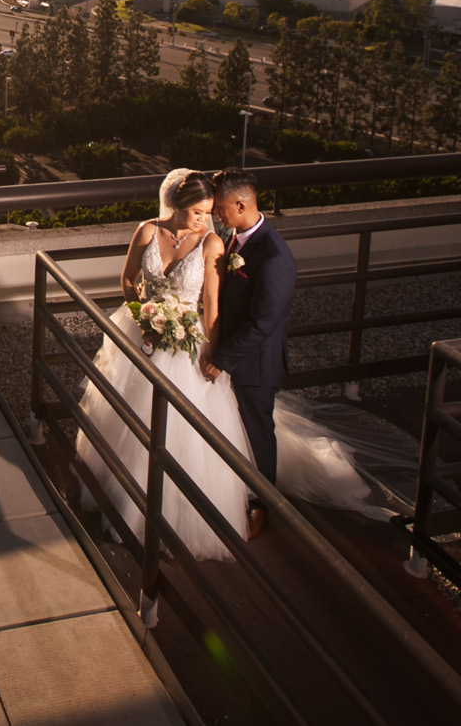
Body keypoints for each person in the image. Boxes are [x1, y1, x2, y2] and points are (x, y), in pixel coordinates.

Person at [76, 169, 252, 561]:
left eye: (208, 212)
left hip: (188, 343)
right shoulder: (145, 231)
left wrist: (211, 353)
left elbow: (212, 305)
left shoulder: (211, 244)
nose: (205, 219)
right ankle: (127, 501)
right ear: (177, 205)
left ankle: (176, 516)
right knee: (130, 417)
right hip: (144, 333)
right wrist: (144, 315)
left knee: (178, 428)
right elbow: (126, 280)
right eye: (198, 212)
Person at [205, 167, 296, 539]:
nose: (217, 216)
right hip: (232, 353)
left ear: (241, 204)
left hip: (255, 365)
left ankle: (263, 504)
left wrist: (221, 360)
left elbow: (263, 324)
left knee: (258, 434)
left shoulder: (275, 257)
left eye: (221, 208)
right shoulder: (233, 237)